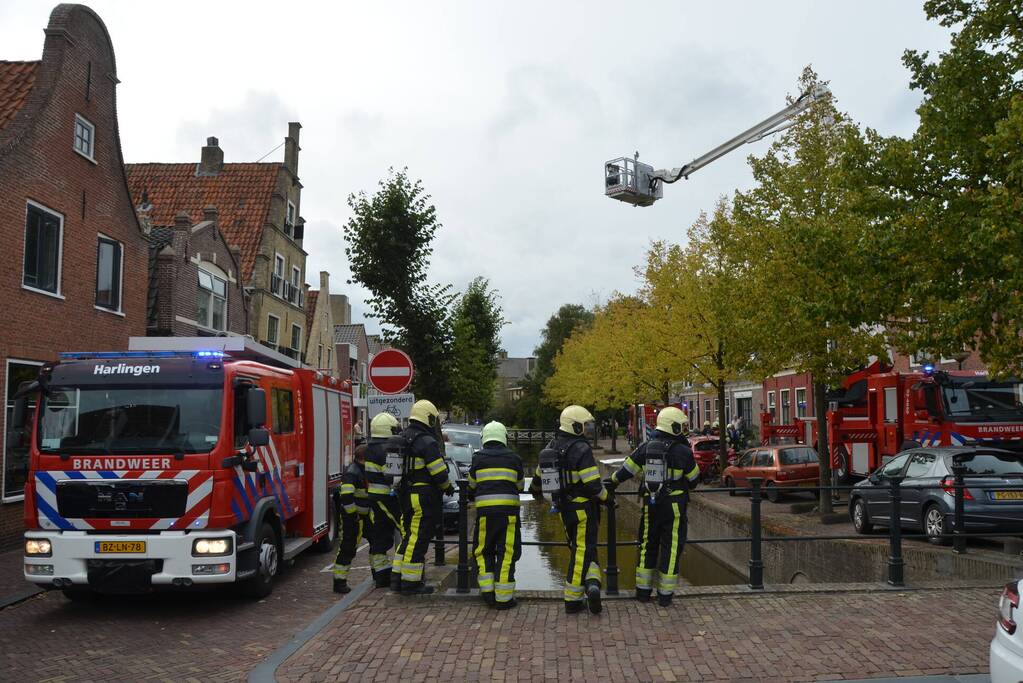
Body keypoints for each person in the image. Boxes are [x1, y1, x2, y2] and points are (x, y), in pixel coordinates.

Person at [607, 406, 700, 607]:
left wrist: (611, 482)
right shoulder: (683, 451)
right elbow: (694, 480)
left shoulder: (646, 447)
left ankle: (642, 592)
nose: (683, 430)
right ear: (673, 427)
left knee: (647, 545)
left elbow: (625, 471)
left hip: (651, 504)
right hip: (674, 506)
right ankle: (665, 596)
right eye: (681, 426)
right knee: (671, 547)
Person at [528, 405, 608, 615]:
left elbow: (537, 480)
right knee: (583, 551)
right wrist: (608, 499)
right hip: (583, 508)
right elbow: (593, 484)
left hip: (564, 509)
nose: (588, 430)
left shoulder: (551, 447)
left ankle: (592, 584)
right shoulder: (582, 449)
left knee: (581, 548)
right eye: (585, 426)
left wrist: (535, 494)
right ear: (574, 426)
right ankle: (572, 599)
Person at [392, 399, 453, 595]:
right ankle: (411, 583)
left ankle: (397, 579)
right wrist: (448, 487)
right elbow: (439, 472)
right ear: (428, 418)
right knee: (418, 541)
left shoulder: (403, 437)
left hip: (405, 496)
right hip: (422, 498)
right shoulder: (427, 441)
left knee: (408, 537)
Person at [467, 421, 524, 609]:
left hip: (484, 515)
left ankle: (488, 593)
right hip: (508, 515)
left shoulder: (477, 459)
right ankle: (504, 597)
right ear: (504, 437)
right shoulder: (514, 459)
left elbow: (471, 486)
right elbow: (520, 486)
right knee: (507, 553)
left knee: (483, 551)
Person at [363, 412, 404, 588]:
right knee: (405, 530)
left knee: (379, 536)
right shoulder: (386, 449)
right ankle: (399, 572)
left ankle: (381, 574)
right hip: (387, 497)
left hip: (375, 498)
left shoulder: (370, 447)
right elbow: (392, 477)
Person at [333, 443, 371, 594]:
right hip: (352, 518)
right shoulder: (352, 473)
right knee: (347, 548)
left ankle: (380, 574)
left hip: (364, 516)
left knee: (377, 542)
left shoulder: (363, 470)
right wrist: (353, 514)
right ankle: (339, 582)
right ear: (364, 458)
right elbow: (347, 497)